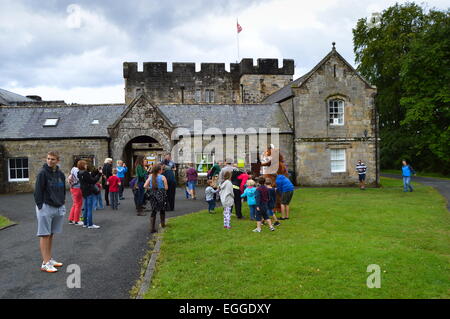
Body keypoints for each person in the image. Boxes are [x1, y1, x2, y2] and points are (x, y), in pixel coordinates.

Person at [34, 151, 66, 273]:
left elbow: (62, 189)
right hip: (45, 207)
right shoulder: (42, 173)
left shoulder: (60, 174)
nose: (49, 161)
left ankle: (48, 259)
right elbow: (37, 191)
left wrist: (62, 202)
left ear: (58, 161)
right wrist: (40, 206)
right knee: (44, 234)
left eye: (52, 159)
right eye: (48, 158)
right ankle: (45, 263)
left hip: (58, 206)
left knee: (51, 233)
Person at [144, 164, 168, 233]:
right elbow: (166, 188)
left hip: (153, 194)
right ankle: (163, 224)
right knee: (162, 209)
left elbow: (145, 186)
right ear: (159, 170)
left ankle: (152, 228)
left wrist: (151, 188)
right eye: (161, 169)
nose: (162, 170)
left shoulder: (150, 176)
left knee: (154, 210)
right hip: (161, 194)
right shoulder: (163, 177)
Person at [78, 160, 102, 229]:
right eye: (85, 164)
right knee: (89, 208)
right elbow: (92, 180)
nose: (86, 165)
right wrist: (99, 174)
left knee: (85, 208)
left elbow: (89, 178)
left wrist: (96, 172)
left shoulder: (79, 173)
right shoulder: (85, 173)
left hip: (83, 191)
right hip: (88, 191)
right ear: (83, 165)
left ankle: (85, 223)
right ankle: (90, 224)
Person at [68, 159, 83, 226]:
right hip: (77, 188)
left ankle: (71, 219)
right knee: (78, 204)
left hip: (73, 187)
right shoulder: (77, 170)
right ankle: (77, 220)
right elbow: (79, 178)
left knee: (75, 204)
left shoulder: (73, 169)